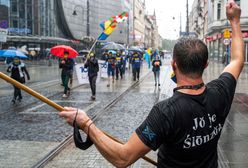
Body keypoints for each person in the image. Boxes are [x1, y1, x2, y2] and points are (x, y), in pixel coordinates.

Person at [59, 1, 244, 167]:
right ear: (206, 64)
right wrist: (234, 21)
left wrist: (86, 124)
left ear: (174, 65)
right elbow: (237, 59)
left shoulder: (165, 113)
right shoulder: (221, 92)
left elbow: (123, 158)